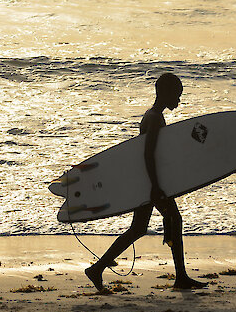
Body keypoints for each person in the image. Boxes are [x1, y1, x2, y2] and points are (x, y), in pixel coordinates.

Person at [85, 72, 207, 293]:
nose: (179, 100)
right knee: (174, 220)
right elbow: (148, 155)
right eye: (177, 95)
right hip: (152, 183)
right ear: (166, 93)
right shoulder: (154, 118)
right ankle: (180, 277)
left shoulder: (153, 116)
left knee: (139, 228)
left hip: (149, 181)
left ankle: (97, 268)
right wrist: (155, 186)